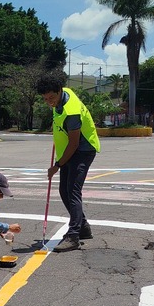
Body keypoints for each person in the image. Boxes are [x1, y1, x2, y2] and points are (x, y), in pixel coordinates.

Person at [37, 70, 100, 253]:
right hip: (69, 151)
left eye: (51, 97)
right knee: (63, 190)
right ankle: (83, 227)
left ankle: (73, 236)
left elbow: (74, 143)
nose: (49, 102)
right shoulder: (63, 93)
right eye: (45, 98)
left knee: (73, 190)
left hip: (83, 149)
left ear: (59, 91)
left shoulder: (71, 110)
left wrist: (56, 166)